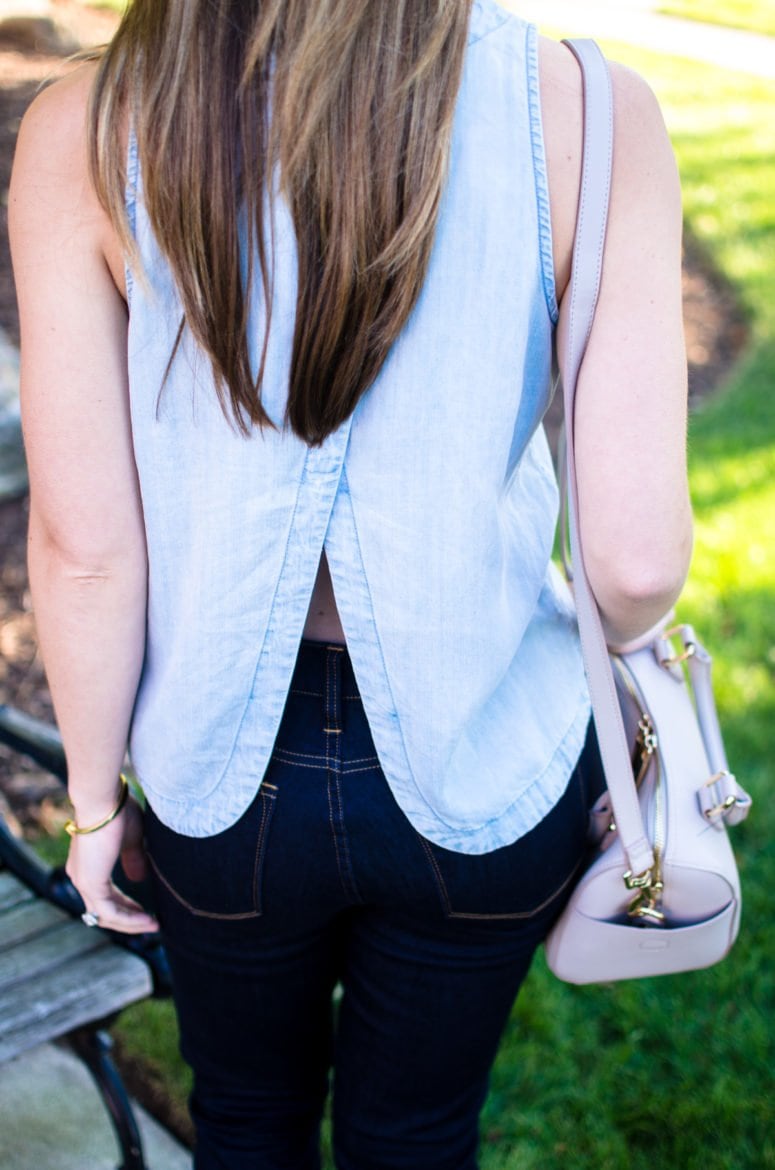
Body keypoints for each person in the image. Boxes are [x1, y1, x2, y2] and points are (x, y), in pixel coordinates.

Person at [9, 1, 692, 1166]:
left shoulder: (85, 124)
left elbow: (84, 548)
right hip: (486, 763)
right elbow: (633, 568)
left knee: (246, 1120)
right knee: (415, 1133)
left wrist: (92, 806)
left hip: (218, 785)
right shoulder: (589, 111)